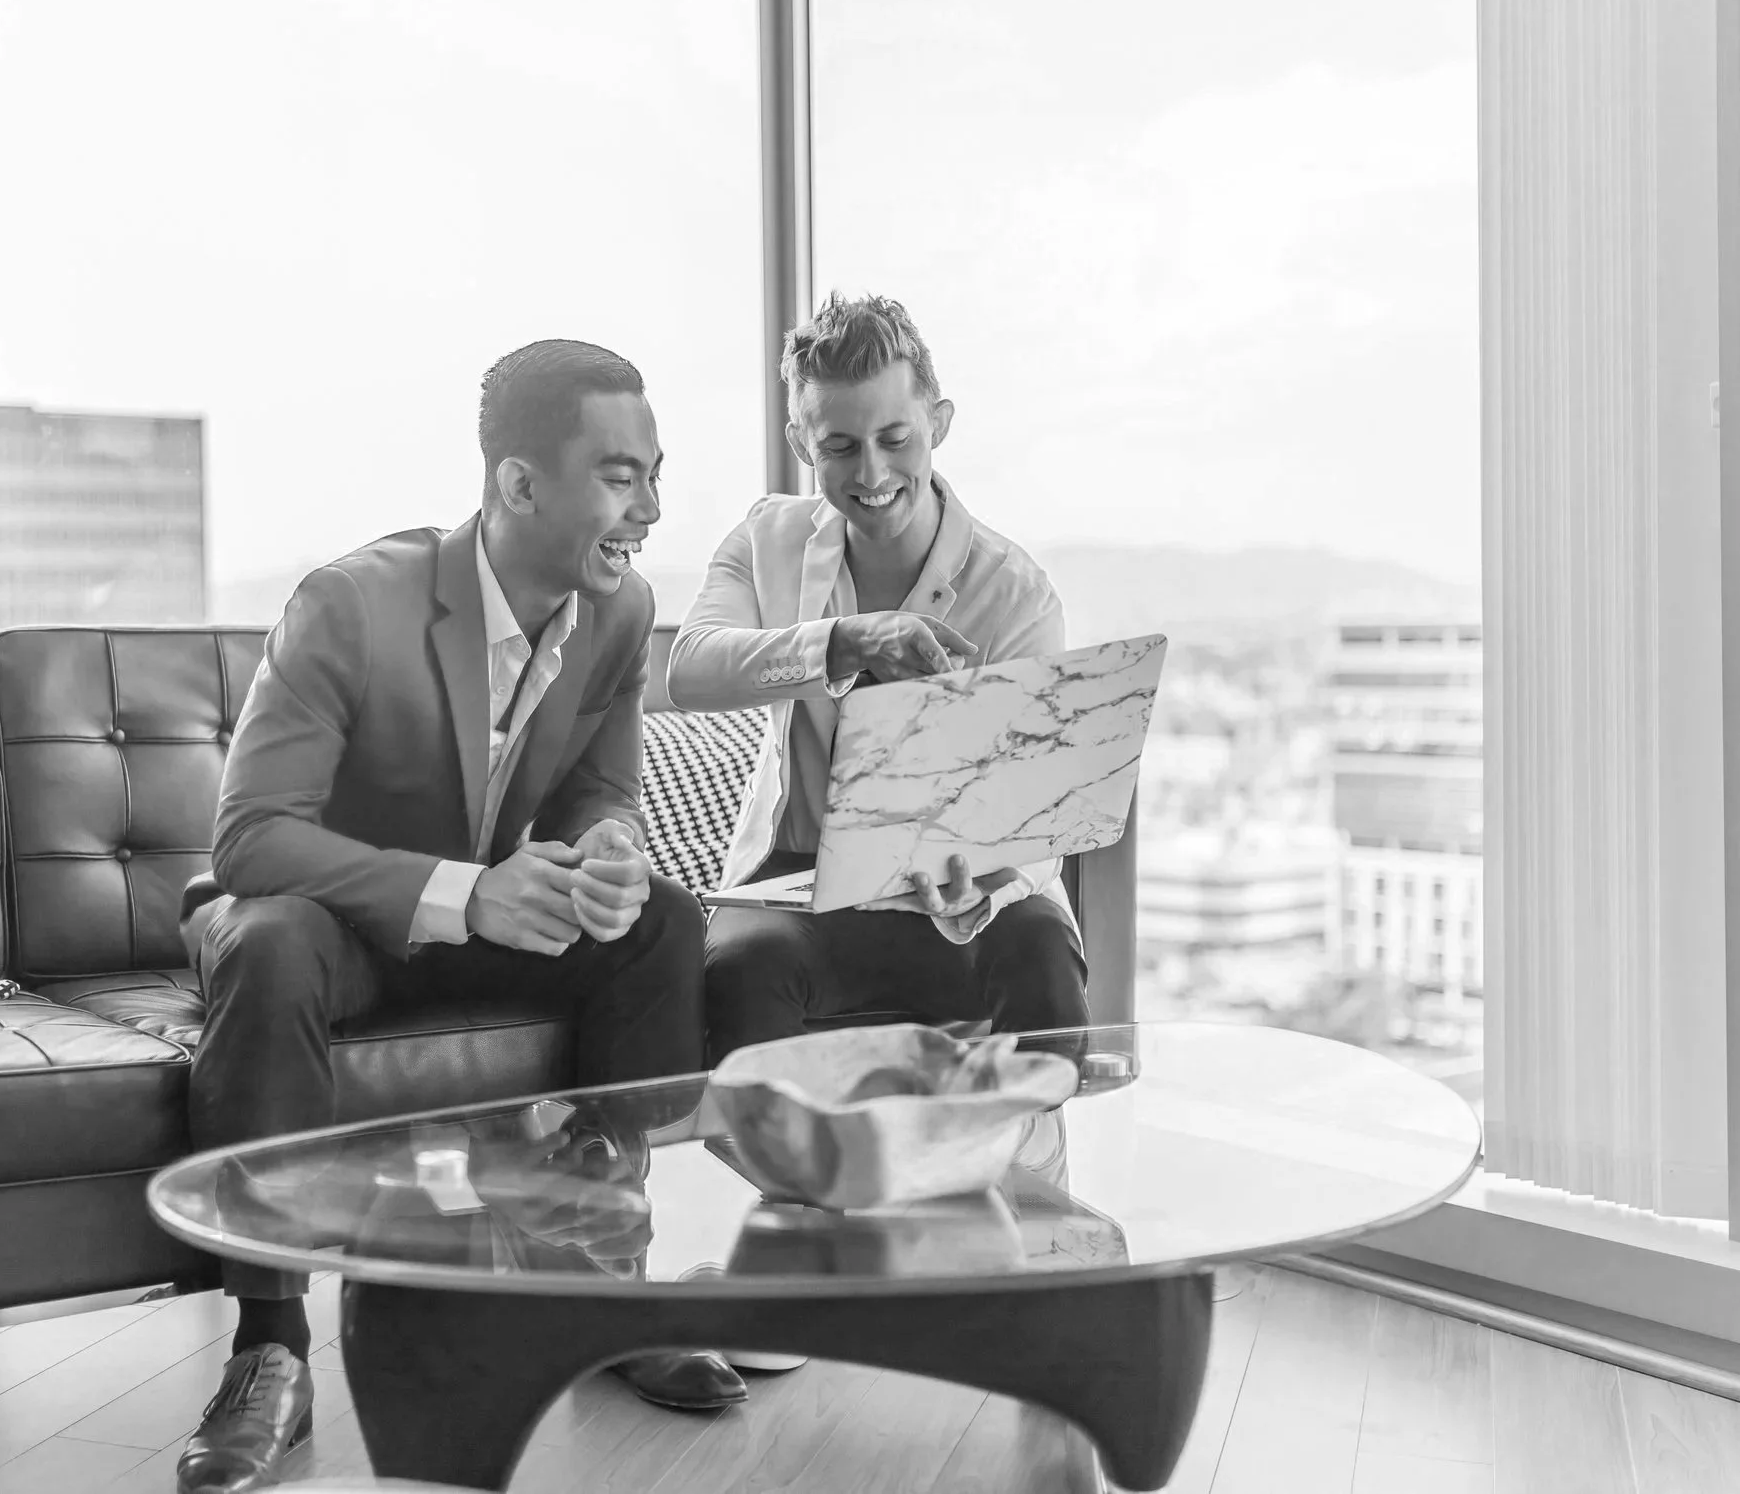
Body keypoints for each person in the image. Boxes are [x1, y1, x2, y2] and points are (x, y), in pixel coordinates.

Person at [170, 339, 736, 1494]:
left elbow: (601, 786)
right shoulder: (350, 601)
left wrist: (610, 850)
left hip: (475, 917)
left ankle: (602, 1281)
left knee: (661, 922)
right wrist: (469, 889)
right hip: (322, 921)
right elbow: (251, 839)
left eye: (656, 472)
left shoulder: (620, 611)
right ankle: (268, 1346)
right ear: (519, 484)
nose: (653, 507)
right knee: (269, 944)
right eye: (622, 475)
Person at [668, 292, 1092, 1068]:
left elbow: (1038, 818)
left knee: (1038, 946)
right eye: (839, 446)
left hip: (966, 891)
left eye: (896, 438)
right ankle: (774, 1182)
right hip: (798, 885)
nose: (871, 473)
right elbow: (691, 667)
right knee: (742, 965)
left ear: (940, 422)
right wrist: (845, 641)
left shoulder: (1016, 593)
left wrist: (983, 882)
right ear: (801, 440)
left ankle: (1035, 1183)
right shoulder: (766, 541)